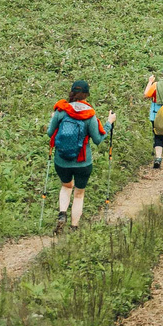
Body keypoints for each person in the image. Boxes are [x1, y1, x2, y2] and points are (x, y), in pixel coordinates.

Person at [47, 79, 110, 228]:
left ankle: (62, 213)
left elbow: (50, 133)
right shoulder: (90, 115)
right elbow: (97, 139)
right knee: (79, 194)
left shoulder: (61, 111)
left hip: (61, 160)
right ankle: (74, 227)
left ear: (72, 92)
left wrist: (53, 119)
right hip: (83, 162)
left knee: (66, 186)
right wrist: (109, 123)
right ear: (86, 95)